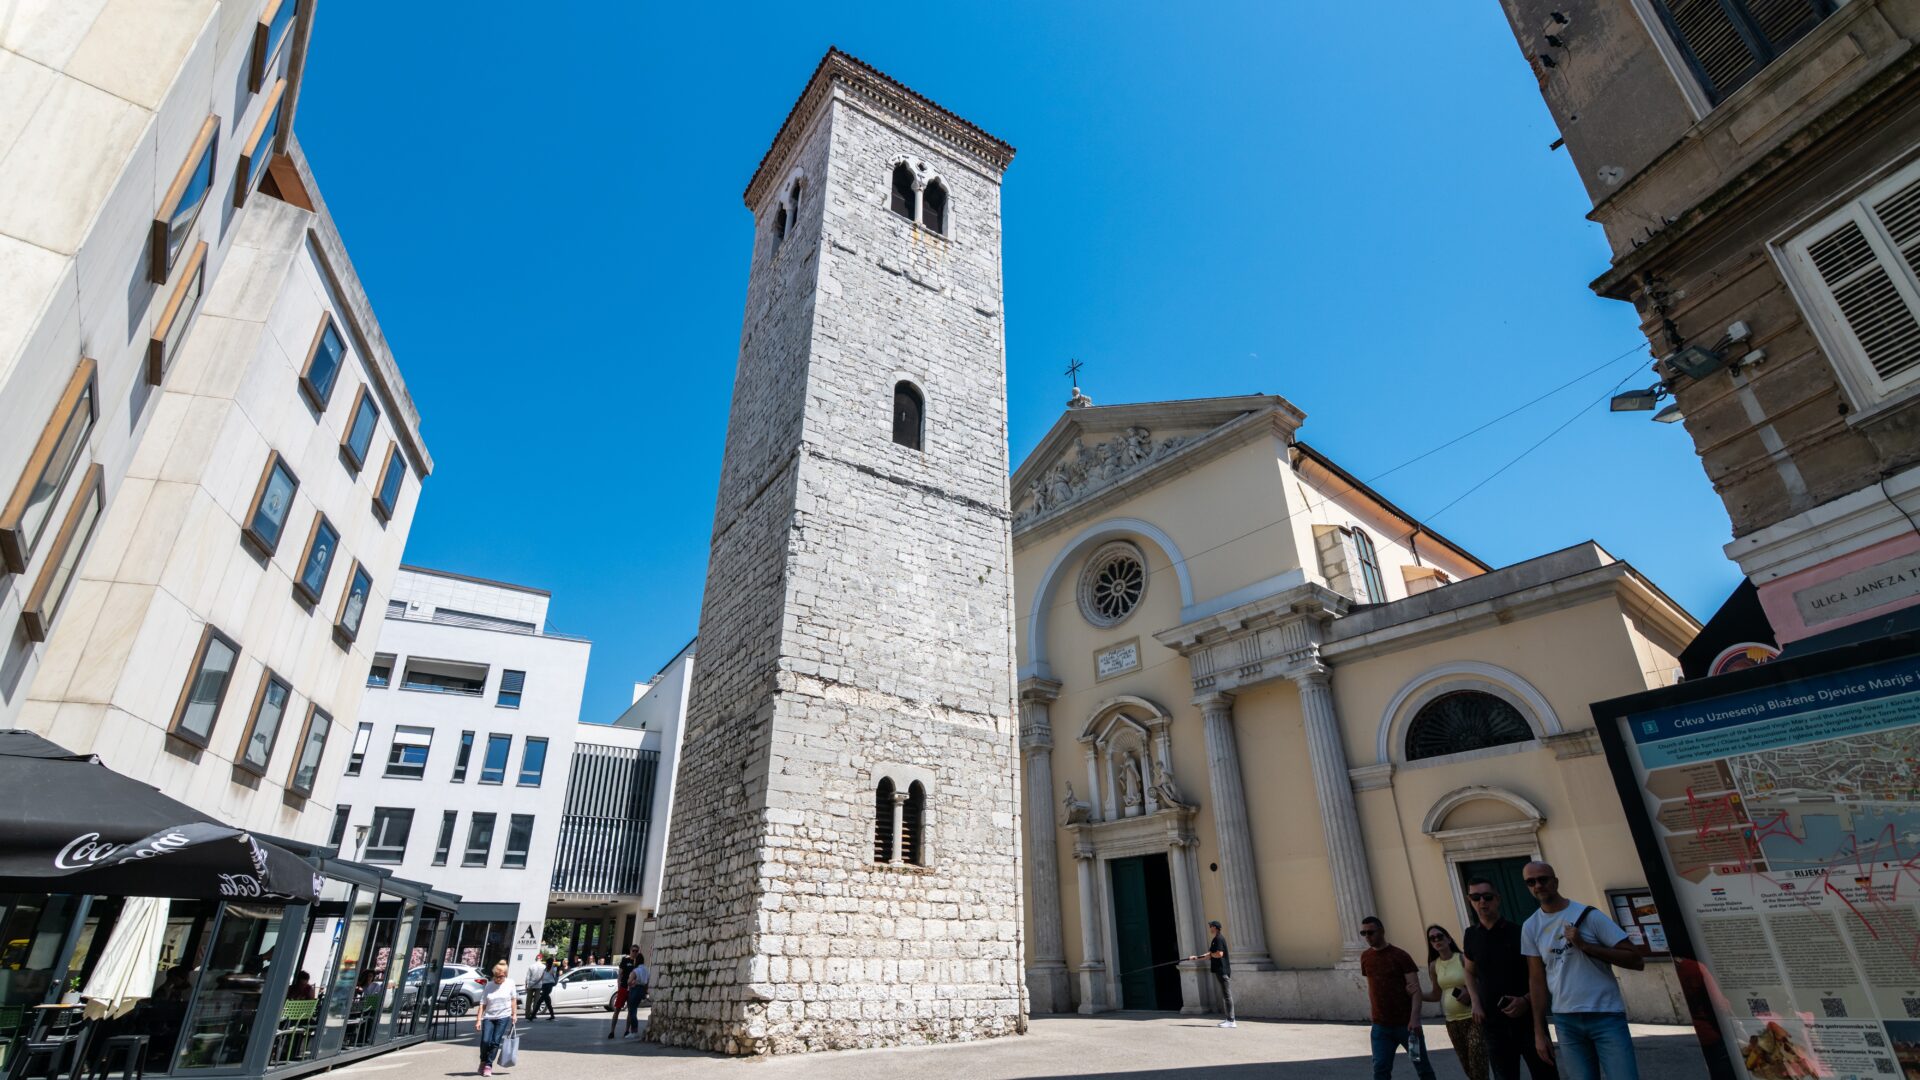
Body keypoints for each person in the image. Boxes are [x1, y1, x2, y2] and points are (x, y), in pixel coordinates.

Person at [1521, 861, 1644, 1080]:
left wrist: (1586, 946)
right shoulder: (1530, 926)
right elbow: (1536, 980)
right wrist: (1539, 1032)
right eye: (1531, 882)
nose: (1538, 885)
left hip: (1605, 1015)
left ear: (1555, 881)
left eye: (1543, 879)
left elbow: (1635, 959)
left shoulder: (1589, 916)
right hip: (1566, 1020)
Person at [1462, 879, 1558, 1080]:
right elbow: (1469, 971)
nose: (1482, 902)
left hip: (1529, 1022)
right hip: (1493, 1024)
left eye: (1487, 897)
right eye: (1475, 897)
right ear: (1470, 901)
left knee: (1545, 1074)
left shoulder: (1520, 932)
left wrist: (1525, 1000)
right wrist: (1475, 1002)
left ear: (1498, 899)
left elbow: (1541, 975)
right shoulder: (1471, 935)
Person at [1360, 916, 1438, 1080]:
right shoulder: (1365, 957)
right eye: (1363, 933)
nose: (1367, 936)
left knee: (1422, 1067)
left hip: (1406, 1026)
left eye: (1371, 932)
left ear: (1382, 931)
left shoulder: (1400, 956)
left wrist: (1414, 1019)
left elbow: (1415, 989)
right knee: (1380, 1069)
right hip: (1380, 1027)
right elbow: (1372, 986)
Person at [1423, 925, 1488, 1080]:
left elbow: (1482, 981)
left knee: (1477, 1059)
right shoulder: (1434, 966)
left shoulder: (1462, 958)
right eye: (1432, 939)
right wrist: (1416, 995)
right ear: (1431, 944)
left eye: (1440, 936)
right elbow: (1436, 994)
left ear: (1448, 938)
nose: (1437, 940)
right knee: (1467, 1064)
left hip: (1473, 1017)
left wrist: (1469, 990)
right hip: (1452, 1022)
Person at [1185, 919, 1234, 1028]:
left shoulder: (1219, 939)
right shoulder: (1215, 940)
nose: (1210, 928)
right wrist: (1195, 958)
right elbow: (1209, 954)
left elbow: (1219, 954)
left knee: (1227, 995)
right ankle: (1229, 1019)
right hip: (1218, 970)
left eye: (1211, 926)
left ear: (1215, 927)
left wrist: (1210, 955)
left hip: (1223, 970)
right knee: (1225, 995)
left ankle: (1231, 1020)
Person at [474, 960, 517, 1077]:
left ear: (505, 975)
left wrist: (514, 1014)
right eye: (496, 976)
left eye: (501, 976)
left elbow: (513, 999)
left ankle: (488, 1065)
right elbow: (482, 1003)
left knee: (495, 1041)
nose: (498, 979)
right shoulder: (489, 985)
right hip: (489, 1016)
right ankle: (483, 1060)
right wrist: (478, 1020)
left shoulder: (510, 983)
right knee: (485, 1041)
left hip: (503, 1016)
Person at [607, 947, 640, 1039]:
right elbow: (620, 974)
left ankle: (626, 1031)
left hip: (632, 989)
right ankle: (612, 1031)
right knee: (617, 1009)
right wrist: (619, 986)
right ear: (630, 951)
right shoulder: (625, 960)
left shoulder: (638, 963)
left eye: (636, 951)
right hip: (624, 987)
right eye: (633, 951)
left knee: (630, 1011)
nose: (634, 952)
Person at [622, 953, 649, 1037]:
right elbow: (647, 981)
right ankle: (634, 1030)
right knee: (635, 1009)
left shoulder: (636, 970)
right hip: (642, 989)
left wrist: (633, 983)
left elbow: (629, 981)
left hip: (635, 990)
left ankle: (634, 1031)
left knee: (632, 1011)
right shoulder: (646, 970)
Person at [523, 955, 547, 1021]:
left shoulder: (531, 966)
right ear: (541, 958)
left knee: (529, 1000)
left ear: (536, 958)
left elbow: (527, 976)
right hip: (539, 985)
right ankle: (534, 1014)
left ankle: (527, 1015)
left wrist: (526, 985)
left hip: (530, 985)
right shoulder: (544, 967)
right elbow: (544, 977)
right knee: (536, 1000)